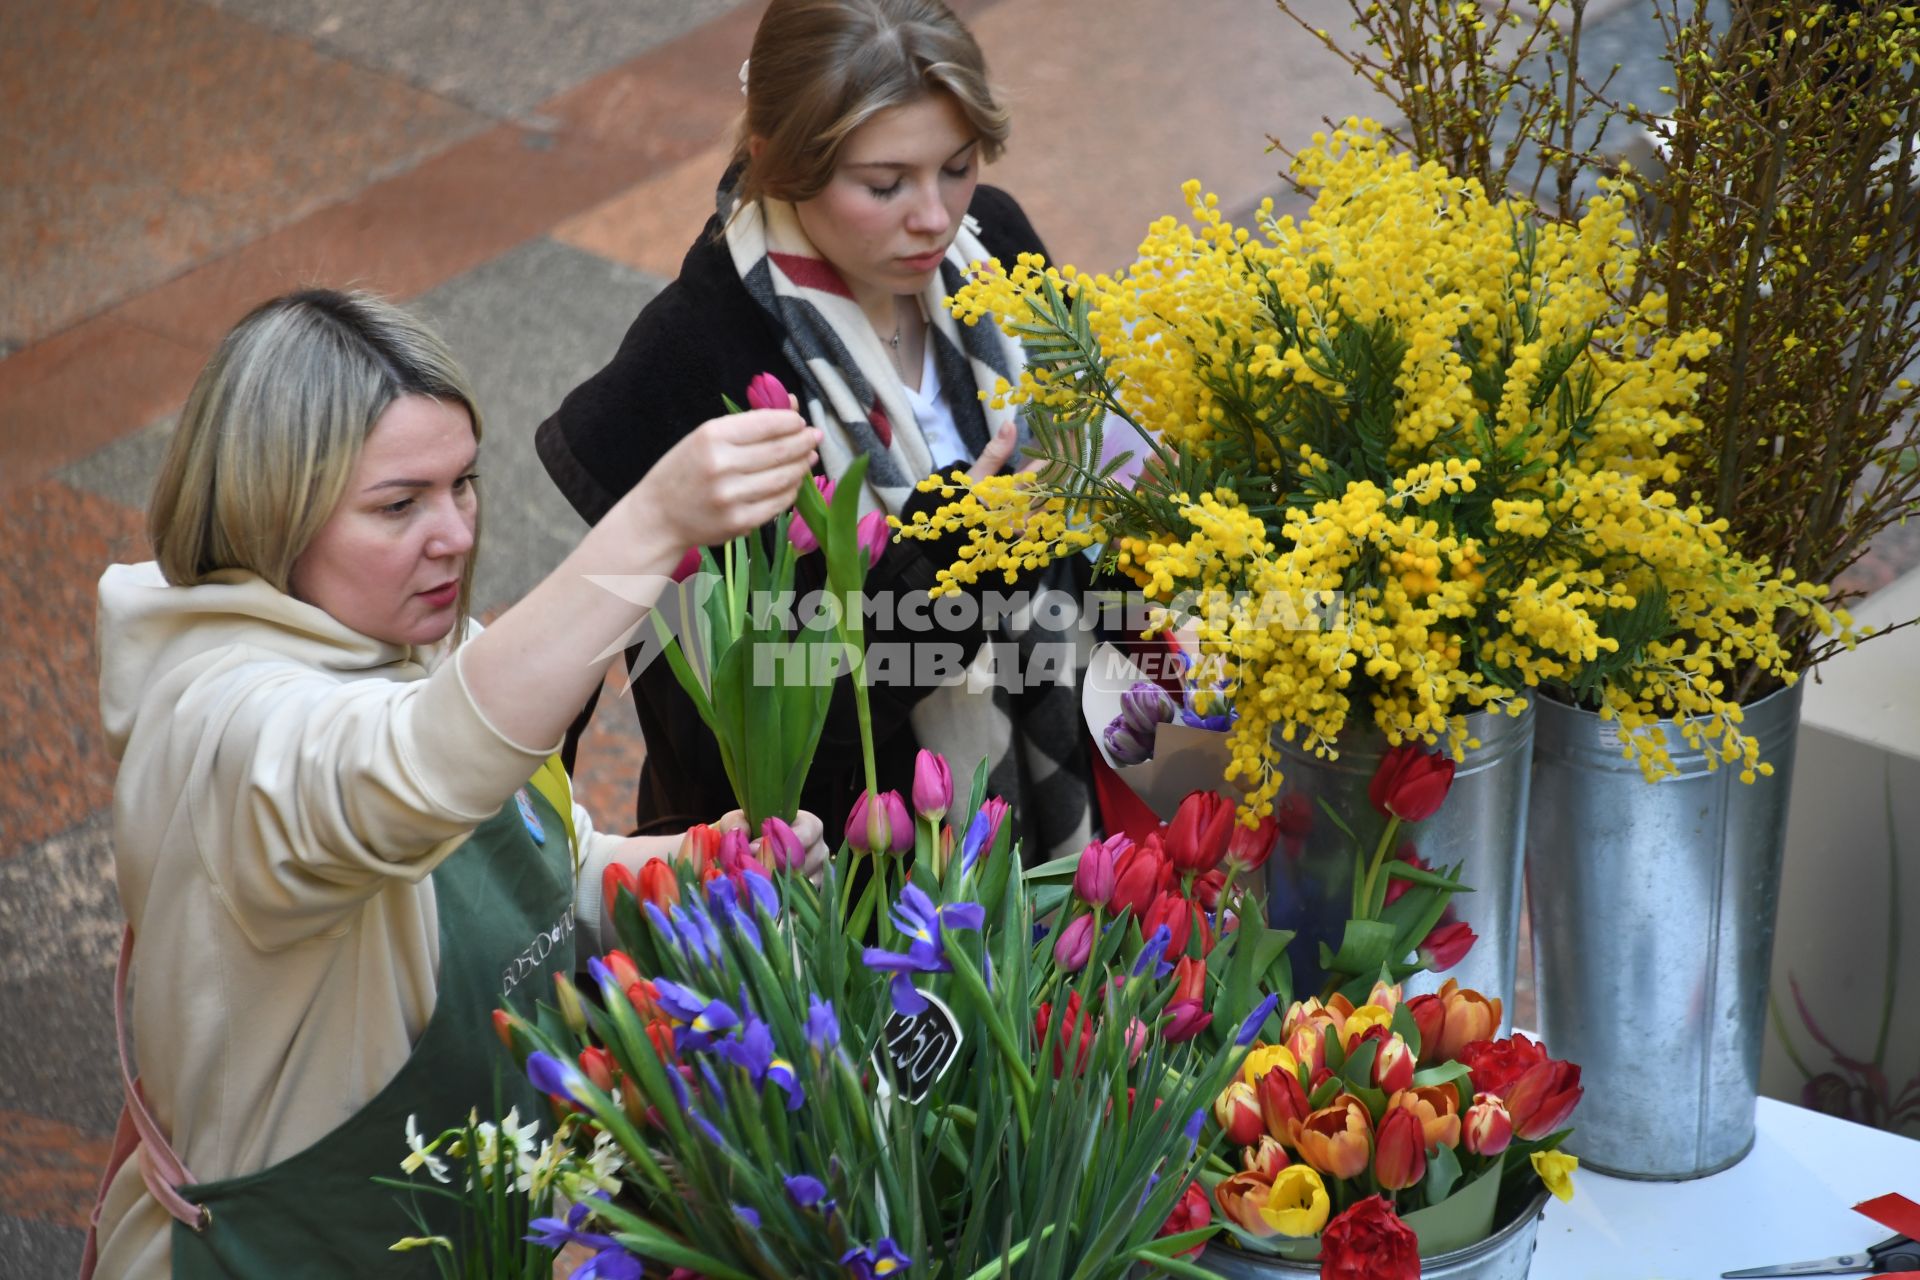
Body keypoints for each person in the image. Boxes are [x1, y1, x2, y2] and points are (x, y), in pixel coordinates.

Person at [82, 289, 823, 1279]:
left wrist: (690, 869)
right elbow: (415, 772)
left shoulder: (411, 642)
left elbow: (534, 861)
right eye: (399, 503)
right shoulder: (224, 724)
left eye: (462, 484)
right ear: (272, 509)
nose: (457, 534)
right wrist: (649, 526)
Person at [536, 0, 1097, 863]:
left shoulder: (999, 242)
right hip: (836, 879)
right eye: (885, 184)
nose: (935, 216)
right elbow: (751, 726)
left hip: (1057, 807)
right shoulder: (689, 365)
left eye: (957, 165)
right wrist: (955, 556)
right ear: (777, 161)